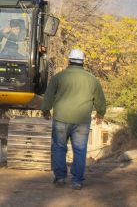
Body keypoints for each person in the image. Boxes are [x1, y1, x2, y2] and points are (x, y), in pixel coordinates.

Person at [40, 48, 106, 190]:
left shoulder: (59, 77)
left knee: (59, 147)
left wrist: (45, 111)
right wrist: (100, 114)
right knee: (80, 150)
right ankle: (77, 181)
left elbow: (49, 97)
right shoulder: (92, 79)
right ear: (83, 62)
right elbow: (100, 100)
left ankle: (60, 178)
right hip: (82, 121)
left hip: (61, 119)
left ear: (69, 60)